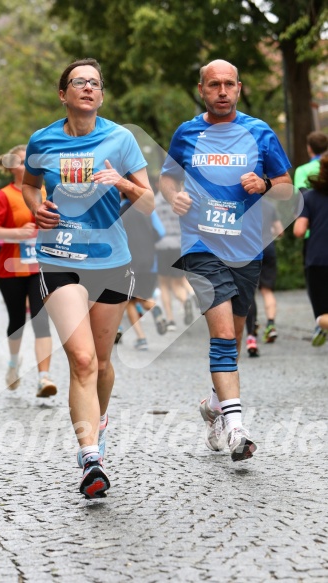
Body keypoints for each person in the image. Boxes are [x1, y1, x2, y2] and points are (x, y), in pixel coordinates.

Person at [22, 58, 154, 498]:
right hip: (59, 257)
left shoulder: (121, 139)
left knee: (100, 363)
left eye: (95, 83)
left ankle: (98, 418)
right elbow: (29, 183)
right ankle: (91, 458)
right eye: (78, 82)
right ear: (63, 94)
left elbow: (150, 202)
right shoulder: (42, 140)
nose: (87, 88)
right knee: (80, 360)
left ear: (101, 94)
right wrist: (34, 206)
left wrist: (123, 182)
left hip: (111, 259)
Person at [160, 59, 292, 462]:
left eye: (228, 84)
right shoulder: (188, 133)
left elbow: (287, 188)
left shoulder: (259, 132)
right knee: (221, 335)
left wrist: (267, 183)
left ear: (239, 88)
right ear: (201, 89)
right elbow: (168, 176)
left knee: (233, 337)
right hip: (201, 245)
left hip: (246, 246)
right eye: (213, 84)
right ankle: (237, 429)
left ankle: (215, 409)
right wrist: (173, 196)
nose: (221, 90)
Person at [0, 145, 57, 398]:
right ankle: (14, 363)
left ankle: (43, 377)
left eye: (31, 160)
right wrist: (18, 233)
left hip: (42, 266)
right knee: (17, 321)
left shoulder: (48, 191)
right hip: (11, 268)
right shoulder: (2, 196)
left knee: (41, 320)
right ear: (11, 167)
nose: (27, 165)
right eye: (22, 161)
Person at [119, 191, 166, 350]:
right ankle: (154, 308)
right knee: (142, 296)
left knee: (129, 301)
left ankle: (141, 338)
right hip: (150, 261)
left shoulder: (118, 211)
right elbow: (161, 233)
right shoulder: (148, 210)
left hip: (129, 262)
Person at [294, 151, 328, 347]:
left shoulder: (310, 197)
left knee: (321, 314)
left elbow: (299, 230)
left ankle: (321, 325)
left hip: (318, 259)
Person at [245, 198, 284, 356]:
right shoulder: (269, 205)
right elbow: (280, 231)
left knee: (250, 292)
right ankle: (270, 325)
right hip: (268, 249)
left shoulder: (243, 205)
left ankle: (251, 333)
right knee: (267, 290)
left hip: (249, 250)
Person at [154, 187, 194, 331]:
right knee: (178, 281)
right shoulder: (181, 201)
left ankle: (170, 320)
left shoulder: (154, 202)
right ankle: (186, 298)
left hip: (161, 246)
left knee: (164, 284)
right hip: (179, 244)